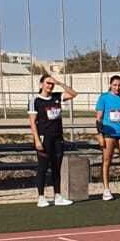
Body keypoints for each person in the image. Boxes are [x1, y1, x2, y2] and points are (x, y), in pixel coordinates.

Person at [28, 72, 77, 206]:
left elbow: (73, 94)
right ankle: (41, 197)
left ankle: (58, 196)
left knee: (57, 167)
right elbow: (32, 123)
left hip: (58, 138)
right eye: (47, 83)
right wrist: (37, 140)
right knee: (43, 168)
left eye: (52, 83)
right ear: (41, 84)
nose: (50, 85)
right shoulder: (35, 101)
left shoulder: (57, 97)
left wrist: (59, 83)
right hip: (44, 138)